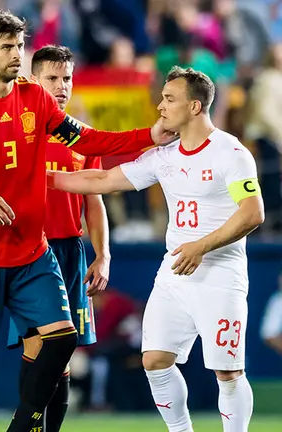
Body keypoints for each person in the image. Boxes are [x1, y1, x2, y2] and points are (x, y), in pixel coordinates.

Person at [0, 10, 173, 432]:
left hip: (34, 252)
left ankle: (22, 427)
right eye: (8, 47)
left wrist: (147, 136)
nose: (17, 54)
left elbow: (86, 139)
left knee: (64, 339)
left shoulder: (36, 98)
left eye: (19, 46)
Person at [48, 66, 264, 432]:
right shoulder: (165, 155)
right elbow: (101, 180)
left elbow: (253, 213)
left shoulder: (231, 152)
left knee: (228, 372)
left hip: (221, 275)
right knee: (154, 361)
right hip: (175, 274)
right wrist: (36, 178)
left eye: (169, 99)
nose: (160, 106)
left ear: (195, 107)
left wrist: (201, 245)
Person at [5, 45, 110, 432]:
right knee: (38, 349)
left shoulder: (80, 138)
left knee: (61, 358)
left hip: (70, 250)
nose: (61, 86)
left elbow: (94, 201)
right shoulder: (13, 132)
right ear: (32, 81)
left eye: (66, 78)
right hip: (30, 254)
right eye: (52, 78)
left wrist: (103, 255)